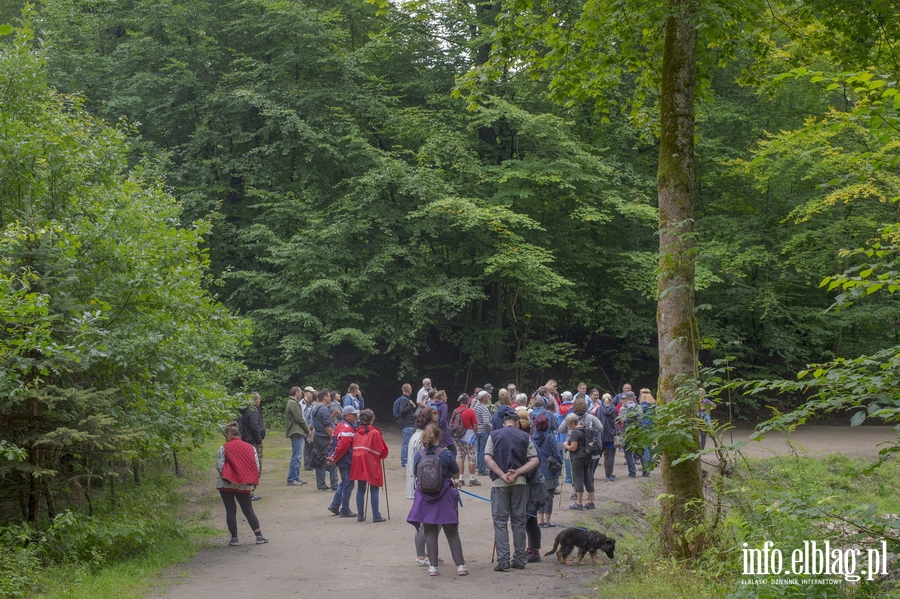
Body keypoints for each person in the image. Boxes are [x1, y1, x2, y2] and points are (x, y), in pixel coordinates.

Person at [407, 424, 468, 577]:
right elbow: (455, 473)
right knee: (452, 532)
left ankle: (433, 567)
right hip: (445, 495)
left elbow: (416, 473)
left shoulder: (418, 455)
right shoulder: (446, 454)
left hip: (425, 497)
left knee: (430, 531)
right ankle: (460, 565)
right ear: (439, 438)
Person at [483, 411, 540, 571]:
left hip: (499, 483)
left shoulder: (493, 435)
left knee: (500, 521)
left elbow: (487, 457)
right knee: (518, 520)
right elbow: (535, 460)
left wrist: (501, 474)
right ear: (516, 423)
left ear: (503, 423)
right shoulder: (524, 436)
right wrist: (518, 472)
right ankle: (520, 559)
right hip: (519, 483)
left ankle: (503, 560)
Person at [216, 421, 268, 546]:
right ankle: (259, 535)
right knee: (248, 509)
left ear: (229, 434)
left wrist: (230, 474)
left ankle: (234, 538)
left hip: (226, 483)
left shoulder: (223, 448)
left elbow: (219, 466)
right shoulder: (251, 448)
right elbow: (256, 465)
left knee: (230, 510)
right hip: (244, 483)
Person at [406, 407, 438, 568]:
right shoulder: (421, 439)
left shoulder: (417, 436)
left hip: (421, 483)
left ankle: (430, 552)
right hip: (423, 485)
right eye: (434, 422)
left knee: (429, 521)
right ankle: (420, 555)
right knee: (424, 521)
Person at [351, 409, 389, 522]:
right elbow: (383, 450)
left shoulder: (357, 432)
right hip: (371, 461)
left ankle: (360, 515)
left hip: (357, 461)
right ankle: (376, 515)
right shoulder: (375, 433)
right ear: (372, 419)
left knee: (361, 488)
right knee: (374, 488)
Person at [327, 405, 359, 517]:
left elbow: (333, 443)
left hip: (342, 460)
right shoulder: (347, 429)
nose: (356, 416)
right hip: (347, 461)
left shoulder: (340, 426)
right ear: (347, 415)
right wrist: (333, 458)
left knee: (343, 483)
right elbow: (342, 447)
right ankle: (344, 510)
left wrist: (332, 457)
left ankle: (335, 505)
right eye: (354, 415)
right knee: (348, 485)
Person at [531, 414, 561, 527]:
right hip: (550, 470)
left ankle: (540, 519)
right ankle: (547, 520)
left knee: (539, 495)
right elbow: (556, 454)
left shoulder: (532, 438)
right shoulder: (550, 437)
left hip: (537, 470)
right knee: (549, 496)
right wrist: (559, 463)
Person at [310, 390, 338, 491]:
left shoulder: (316, 407)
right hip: (325, 438)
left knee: (319, 461)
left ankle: (321, 484)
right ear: (325, 397)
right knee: (331, 460)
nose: (330, 398)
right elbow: (327, 427)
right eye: (329, 396)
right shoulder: (324, 409)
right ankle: (334, 485)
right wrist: (334, 438)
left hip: (317, 437)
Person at [240, 392, 266, 500]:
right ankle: (250, 492)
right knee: (256, 467)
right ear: (254, 399)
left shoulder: (245, 410)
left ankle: (246, 491)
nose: (260, 401)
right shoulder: (253, 411)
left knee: (248, 466)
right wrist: (259, 440)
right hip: (253, 442)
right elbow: (254, 426)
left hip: (246, 441)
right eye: (258, 398)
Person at [452, 393, 481, 486]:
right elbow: (476, 425)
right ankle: (472, 479)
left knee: (460, 457)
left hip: (457, 436)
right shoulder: (470, 411)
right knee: (471, 457)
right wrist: (475, 432)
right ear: (468, 401)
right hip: (469, 436)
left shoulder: (455, 411)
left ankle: (461, 479)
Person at [285, 386, 310, 486]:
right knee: (297, 456)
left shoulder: (292, 403)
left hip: (297, 431)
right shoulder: (292, 403)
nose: (301, 394)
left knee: (298, 456)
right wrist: (307, 430)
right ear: (296, 393)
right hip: (296, 431)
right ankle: (291, 478)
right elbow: (299, 418)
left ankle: (296, 477)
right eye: (300, 392)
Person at [593, 391, 618, 482]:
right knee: (610, 456)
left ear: (602, 400)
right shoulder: (614, 410)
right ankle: (608, 476)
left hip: (600, 435)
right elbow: (617, 421)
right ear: (611, 400)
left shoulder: (598, 409)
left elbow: (596, 420)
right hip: (611, 435)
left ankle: (591, 474)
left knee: (596, 456)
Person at [617, 391, 643, 477]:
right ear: (634, 398)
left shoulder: (622, 408)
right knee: (640, 451)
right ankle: (646, 471)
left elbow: (622, 420)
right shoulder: (639, 407)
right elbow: (641, 419)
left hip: (626, 432)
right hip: (637, 431)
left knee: (628, 452)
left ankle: (632, 472)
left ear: (626, 398)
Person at [430, 389, 456, 459]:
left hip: (434, 429)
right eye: (445, 396)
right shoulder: (444, 405)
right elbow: (443, 418)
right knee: (453, 449)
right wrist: (439, 428)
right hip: (443, 431)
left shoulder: (432, 404)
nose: (446, 398)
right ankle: (451, 465)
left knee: (437, 448)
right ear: (442, 396)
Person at [472, 390, 492, 477]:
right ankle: (482, 469)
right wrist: (492, 428)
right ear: (484, 398)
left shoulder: (476, 406)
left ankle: (479, 466)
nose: (488, 398)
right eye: (487, 396)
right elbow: (486, 422)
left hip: (477, 431)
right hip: (483, 431)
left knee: (479, 450)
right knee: (483, 450)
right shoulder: (484, 408)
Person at [397, 383, 417, 468]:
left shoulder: (406, 399)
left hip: (409, 424)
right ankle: (404, 462)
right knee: (406, 444)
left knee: (408, 443)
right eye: (410, 388)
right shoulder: (404, 400)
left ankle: (407, 461)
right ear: (407, 390)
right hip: (406, 424)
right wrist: (410, 405)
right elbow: (401, 411)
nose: (411, 389)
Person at [639, 388, 656, 476]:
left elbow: (640, 417)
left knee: (645, 448)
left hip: (644, 427)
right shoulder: (653, 404)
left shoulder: (642, 405)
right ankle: (650, 464)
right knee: (649, 446)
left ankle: (645, 467)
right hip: (652, 427)